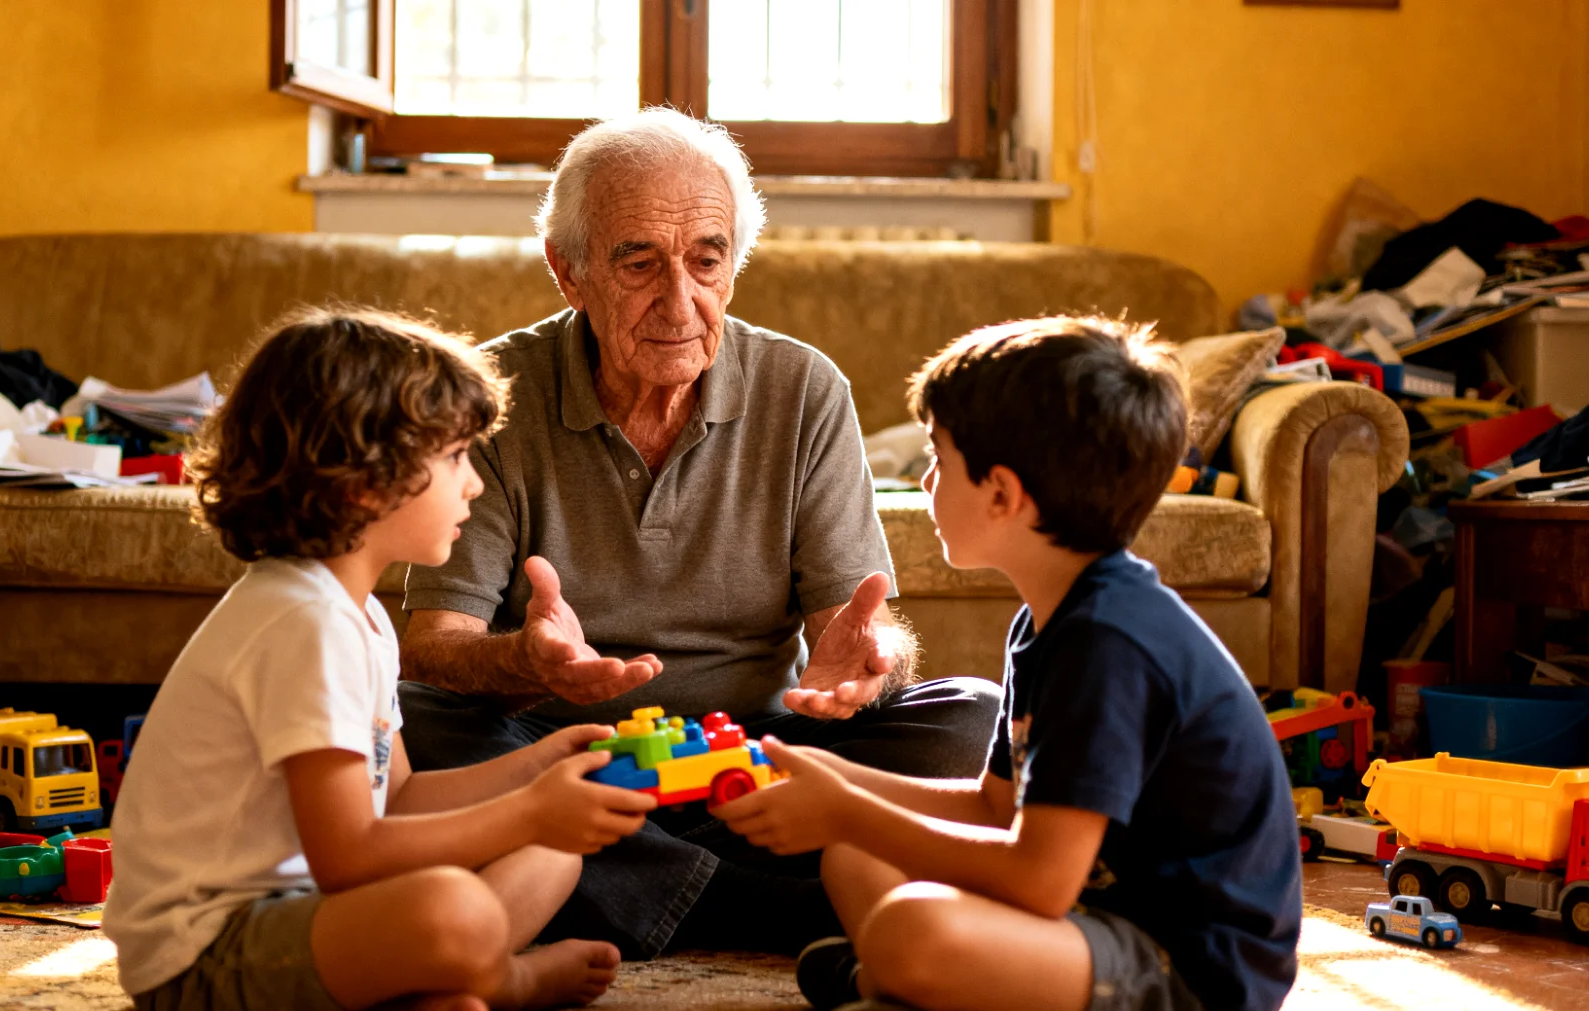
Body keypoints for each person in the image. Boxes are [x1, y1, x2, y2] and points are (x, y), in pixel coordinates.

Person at [397, 108, 1002, 958]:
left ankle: (622, 883)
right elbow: (435, 647)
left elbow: (854, 634)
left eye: (706, 261)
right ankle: (783, 901)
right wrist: (523, 665)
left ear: (734, 267)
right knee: (403, 720)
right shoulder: (495, 397)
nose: (679, 301)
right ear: (567, 272)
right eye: (639, 262)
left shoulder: (804, 389)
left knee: (973, 714)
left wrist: (869, 664)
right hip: (568, 754)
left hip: (757, 755)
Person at [716, 317, 1302, 1011]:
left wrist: (845, 810)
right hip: (1094, 914)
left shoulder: (1110, 643)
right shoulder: (1050, 618)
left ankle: (895, 977)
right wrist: (830, 777)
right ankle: (905, 980)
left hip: (1190, 963)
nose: (926, 479)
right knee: (854, 858)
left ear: (1001, 494)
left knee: (910, 923)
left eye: (938, 456)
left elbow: (1039, 882)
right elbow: (996, 806)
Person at [103, 308, 659, 1011]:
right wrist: (529, 812)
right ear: (366, 480)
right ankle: (503, 977)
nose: (474, 484)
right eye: (456, 457)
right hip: (206, 956)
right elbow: (350, 854)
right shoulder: (302, 621)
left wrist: (538, 765)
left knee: (554, 854)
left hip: (310, 917)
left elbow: (396, 798)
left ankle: (447, 981)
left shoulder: (357, 615)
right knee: (452, 906)